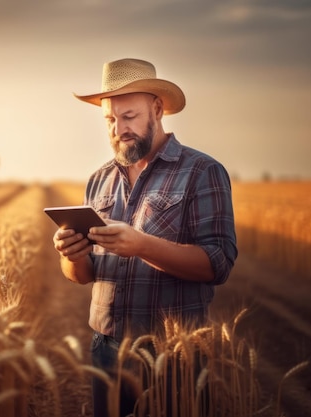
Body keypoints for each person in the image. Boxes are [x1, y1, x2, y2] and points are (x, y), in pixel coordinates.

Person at [51, 58, 238, 416]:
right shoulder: (98, 179)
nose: (118, 128)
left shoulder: (203, 171)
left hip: (174, 351)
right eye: (109, 119)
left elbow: (218, 264)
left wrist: (142, 246)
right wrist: (71, 255)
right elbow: (84, 276)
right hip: (106, 348)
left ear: (157, 108)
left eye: (129, 116)